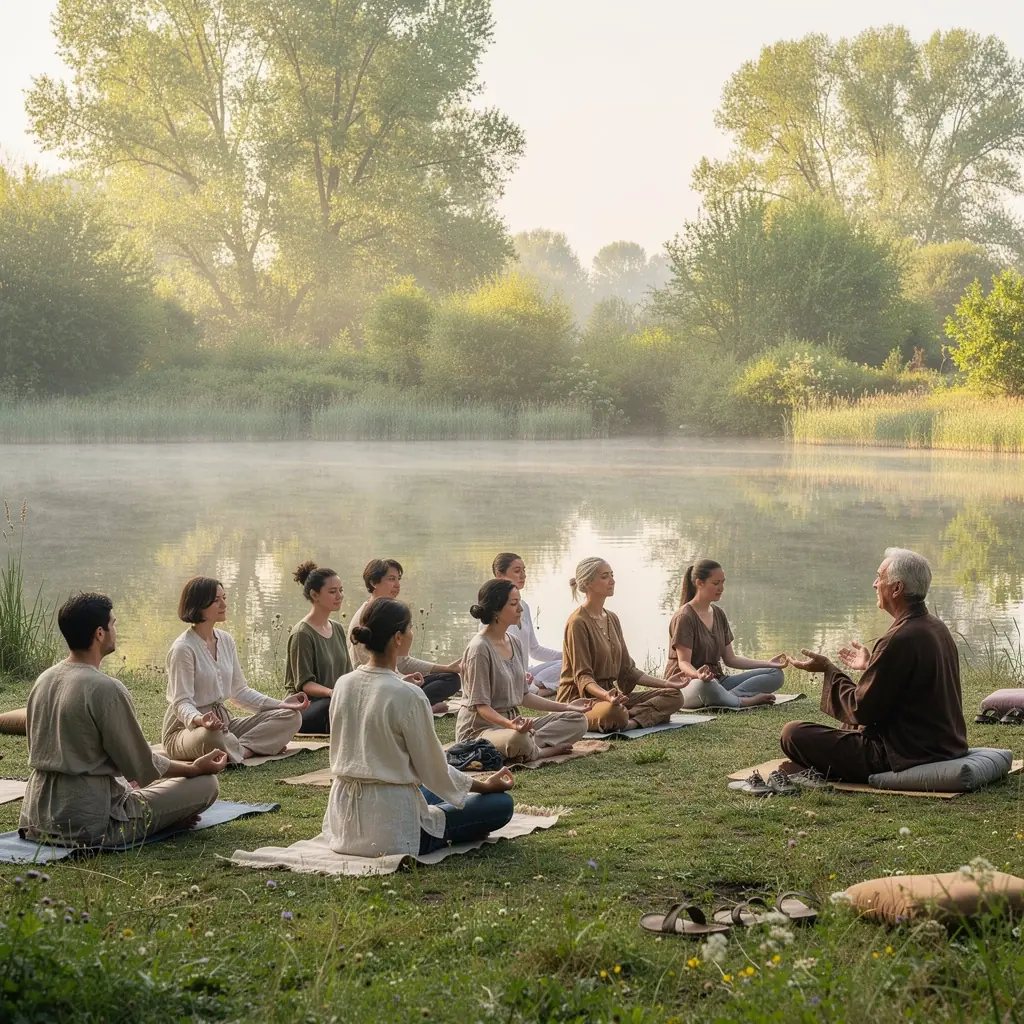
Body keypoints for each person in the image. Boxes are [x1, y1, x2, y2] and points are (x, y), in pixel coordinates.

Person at [20, 592, 226, 847]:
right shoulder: (105, 688)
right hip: (90, 822)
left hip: (37, 815)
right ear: (100, 633)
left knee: (131, 783)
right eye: (113, 624)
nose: (115, 630)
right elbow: (141, 765)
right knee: (206, 784)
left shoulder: (45, 679)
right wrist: (193, 768)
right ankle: (158, 823)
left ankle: (157, 817)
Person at [322, 597, 516, 857]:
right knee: (501, 804)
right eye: (410, 628)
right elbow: (433, 769)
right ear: (398, 638)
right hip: (393, 831)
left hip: (343, 821)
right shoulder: (408, 694)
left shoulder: (343, 684)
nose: (412, 633)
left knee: (429, 790)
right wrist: (485, 786)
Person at [782, 548, 969, 782]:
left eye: (879, 577)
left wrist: (829, 669)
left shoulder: (899, 639)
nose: (874, 584)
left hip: (905, 754)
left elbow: (861, 710)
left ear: (897, 588)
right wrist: (871, 664)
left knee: (792, 733)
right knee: (847, 728)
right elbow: (909, 683)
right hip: (942, 745)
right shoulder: (935, 627)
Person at [163, 577, 307, 763]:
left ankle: (243, 749)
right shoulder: (183, 649)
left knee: (291, 716)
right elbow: (181, 702)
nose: (224, 604)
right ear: (198, 605)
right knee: (212, 737)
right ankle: (257, 746)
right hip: (186, 730)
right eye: (216, 600)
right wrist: (200, 720)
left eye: (224, 598)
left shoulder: (226, 640)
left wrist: (281, 705)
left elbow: (239, 692)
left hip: (224, 724)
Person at [457, 579, 591, 761]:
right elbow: (481, 707)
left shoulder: (514, 641)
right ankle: (539, 750)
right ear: (496, 610)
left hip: (513, 725)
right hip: (480, 731)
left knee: (578, 720)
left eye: (519, 602)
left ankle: (528, 745)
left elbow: (524, 696)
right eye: (513, 604)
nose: (520, 609)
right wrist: (510, 725)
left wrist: (567, 707)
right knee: (518, 739)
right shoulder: (479, 649)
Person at [556, 557, 684, 733]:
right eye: (604, 576)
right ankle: (629, 716)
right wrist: (605, 696)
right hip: (580, 701)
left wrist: (667, 683)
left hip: (612, 697)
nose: (612, 581)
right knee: (612, 711)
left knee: (674, 695)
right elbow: (583, 677)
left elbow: (628, 670)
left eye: (612, 575)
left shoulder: (612, 618)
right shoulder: (577, 622)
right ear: (587, 583)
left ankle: (630, 720)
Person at [663, 559, 787, 709]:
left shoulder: (718, 614)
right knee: (707, 685)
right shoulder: (684, 617)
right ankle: (743, 701)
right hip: (687, 685)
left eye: (723, 582)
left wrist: (768, 663)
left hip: (718, 682)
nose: (721, 588)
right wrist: (698, 675)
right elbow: (683, 663)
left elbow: (731, 659)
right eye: (716, 583)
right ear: (699, 583)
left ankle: (731, 696)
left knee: (775, 674)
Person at [348, 558, 461, 714]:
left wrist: (446, 668)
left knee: (451, 678)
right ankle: (423, 707)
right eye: (391, 579)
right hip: (376, 687)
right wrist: (403, 682)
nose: (397, 585)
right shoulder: (365, 618)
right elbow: (372, 671)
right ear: (374, 582)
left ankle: (418, 705)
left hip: (395, 679)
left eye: (398, 579)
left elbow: (402, 662)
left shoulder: (392, 612)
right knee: (413, 690)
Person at [284, 561, 352, 735]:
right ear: (315, 595)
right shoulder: (302, 633)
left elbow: (348, 674)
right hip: (306, 707)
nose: (339, 596)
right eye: (332, 591)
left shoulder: (337, 628)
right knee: (333, 705)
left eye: (341, 590)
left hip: (337, 699)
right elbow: (304, 684)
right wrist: (332, 693)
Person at [493, 552, 562, 696]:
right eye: (517, 571)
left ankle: (535, 689)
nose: (523, 575)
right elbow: (495, 655)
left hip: (526, 673)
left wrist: (568, 655)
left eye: (524, 570)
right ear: (499, 575)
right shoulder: (494, 609)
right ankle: (538, 691)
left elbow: (534, 649)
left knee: (568, 663)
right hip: (507, 675)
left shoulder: (524, 606)